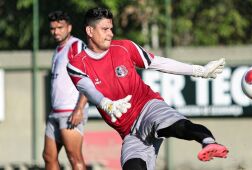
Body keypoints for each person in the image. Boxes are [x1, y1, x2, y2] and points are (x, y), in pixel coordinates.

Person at [67, 7, 228, 170]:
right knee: (132, 167)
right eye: (105, 29)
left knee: (174, 126)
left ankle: (208, 142)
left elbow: (159, 63)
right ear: (90, 30)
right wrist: (106, 103)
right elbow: (88, 89)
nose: (111, 33)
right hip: (130, 132)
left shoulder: (124, 48)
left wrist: (199, 70)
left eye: (111, 29)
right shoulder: (76, 65)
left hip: (148, 106)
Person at [43, 10, 89, 170]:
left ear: (68, 28)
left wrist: (79, 109)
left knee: (74, 157)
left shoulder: (76, 45)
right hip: (55, 112)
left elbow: (88, 78)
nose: (56, 32)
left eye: (60, 27)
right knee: (48, 157)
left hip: (71, 111)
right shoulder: (57, 50)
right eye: (52, 28)